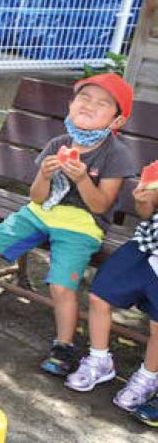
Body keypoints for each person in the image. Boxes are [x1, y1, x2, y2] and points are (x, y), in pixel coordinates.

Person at [0, 73, 138, 376]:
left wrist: (81, 179)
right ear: (71, 104)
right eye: (84, 97)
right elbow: (37, 198)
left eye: (102, 103)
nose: (90, 105)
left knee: (61, 285)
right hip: (42, 211)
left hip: (83, 223)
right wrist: (46, 176)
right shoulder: (58, 143)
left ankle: (64, 345)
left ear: (116, 121)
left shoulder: (116, 154)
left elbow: (101, 206)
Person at [66, 179, 158, 423]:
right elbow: (147, 213)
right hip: (146, 246)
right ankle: (99, 360)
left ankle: (148, 377)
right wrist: (143, 202)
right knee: (100, 296)